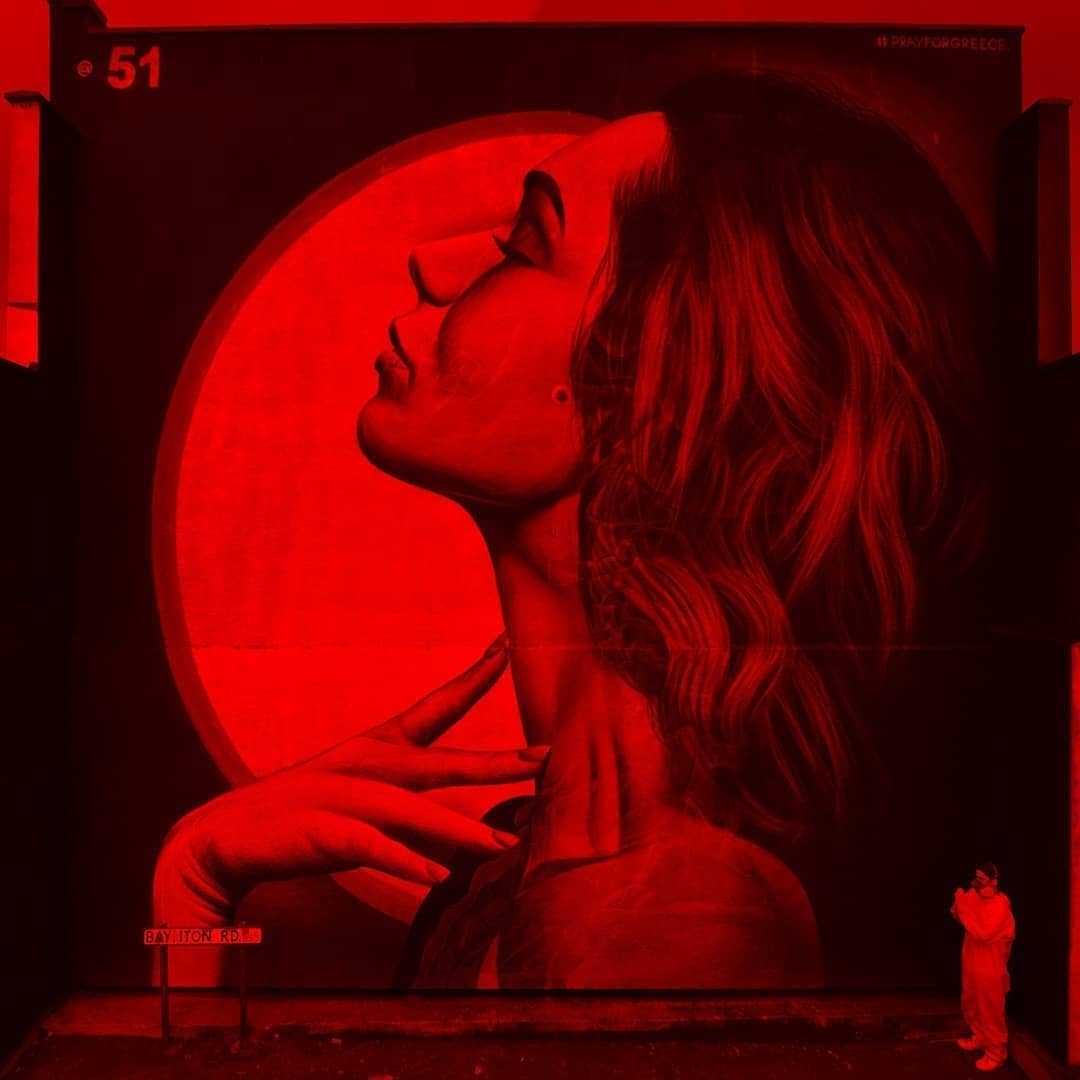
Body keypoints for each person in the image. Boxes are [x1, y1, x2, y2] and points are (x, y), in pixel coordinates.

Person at [155, 71, 991, 989]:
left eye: (524, 246)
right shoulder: (519, 870)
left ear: (650, 380)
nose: (432, 266)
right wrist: (193, 889)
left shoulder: (680, 922)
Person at [952, 863, 1016, 1071]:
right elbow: (958, 915)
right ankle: (980, 1037)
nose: (976, 883)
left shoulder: (1000, 904)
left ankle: (996, 1052)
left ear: (994, 881)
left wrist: (963, 905)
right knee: (971, 1002)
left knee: (990, 1007)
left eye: (981, 879)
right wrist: (962, 902)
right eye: (976, 878)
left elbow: (983, 933)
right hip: (972, 961)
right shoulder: (975, 897)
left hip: (990, 966)